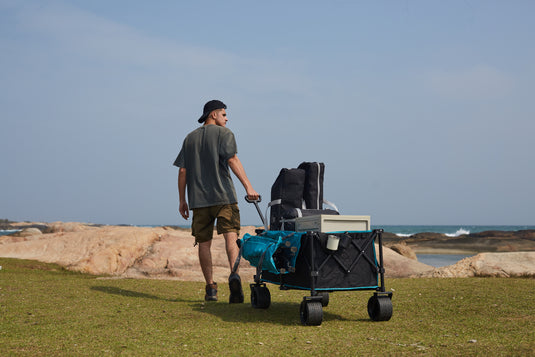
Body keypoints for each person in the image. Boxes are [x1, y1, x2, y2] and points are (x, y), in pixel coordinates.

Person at [173, 100, 259, 303]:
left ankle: (210, 287)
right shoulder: (224, 134)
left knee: (204, 243)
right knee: (231, 237)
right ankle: (234, 275)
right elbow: (232, 160)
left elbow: (183, 171)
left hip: (198, 201)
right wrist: (249, 187)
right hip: (224, 197)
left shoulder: (189, 138)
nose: (227, 119)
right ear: (213, 114)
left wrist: (182, 200)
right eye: (224, 115)